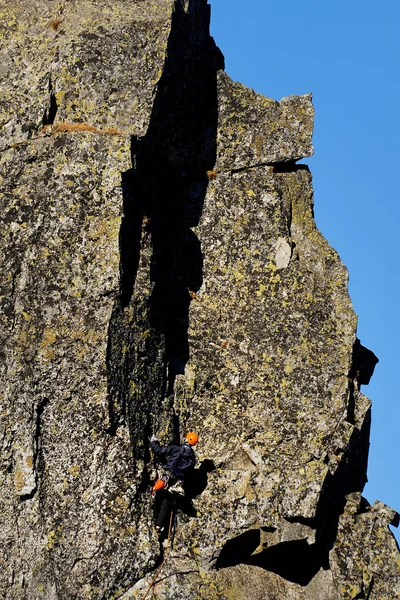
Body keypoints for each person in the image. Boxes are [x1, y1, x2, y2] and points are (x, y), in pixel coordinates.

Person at [150, 432, 199, 533]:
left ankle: (155, 516)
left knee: (157, 492)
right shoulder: (192, 459)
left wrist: (153, 442)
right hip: (178, 480)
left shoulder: (177, 448)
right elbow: (188, 474)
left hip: (168, 474)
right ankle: (159, 525)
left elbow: (161, 451)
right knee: (167, 501)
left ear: (186, 439)